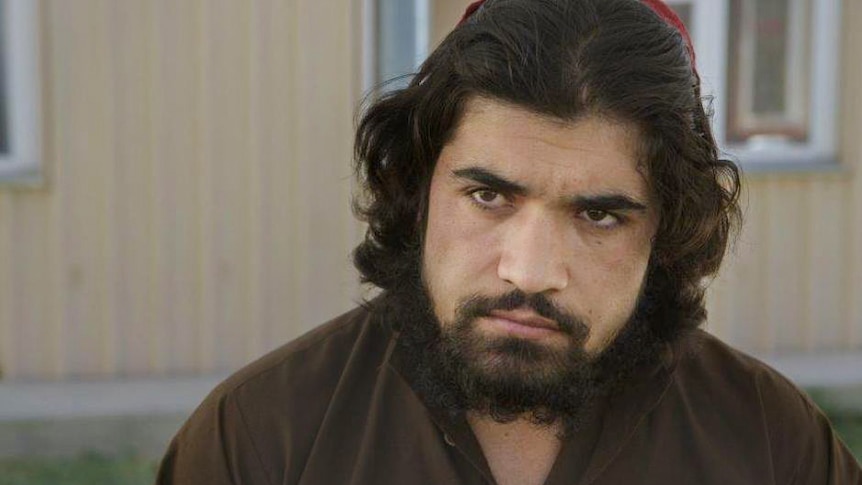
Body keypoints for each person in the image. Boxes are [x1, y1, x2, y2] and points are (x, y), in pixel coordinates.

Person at [156, 0, 862, 484]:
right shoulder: (261, 437)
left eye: (600, 216)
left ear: (669, 232)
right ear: (417, 188)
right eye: (489, 195)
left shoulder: (769, 441)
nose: (529, 270)